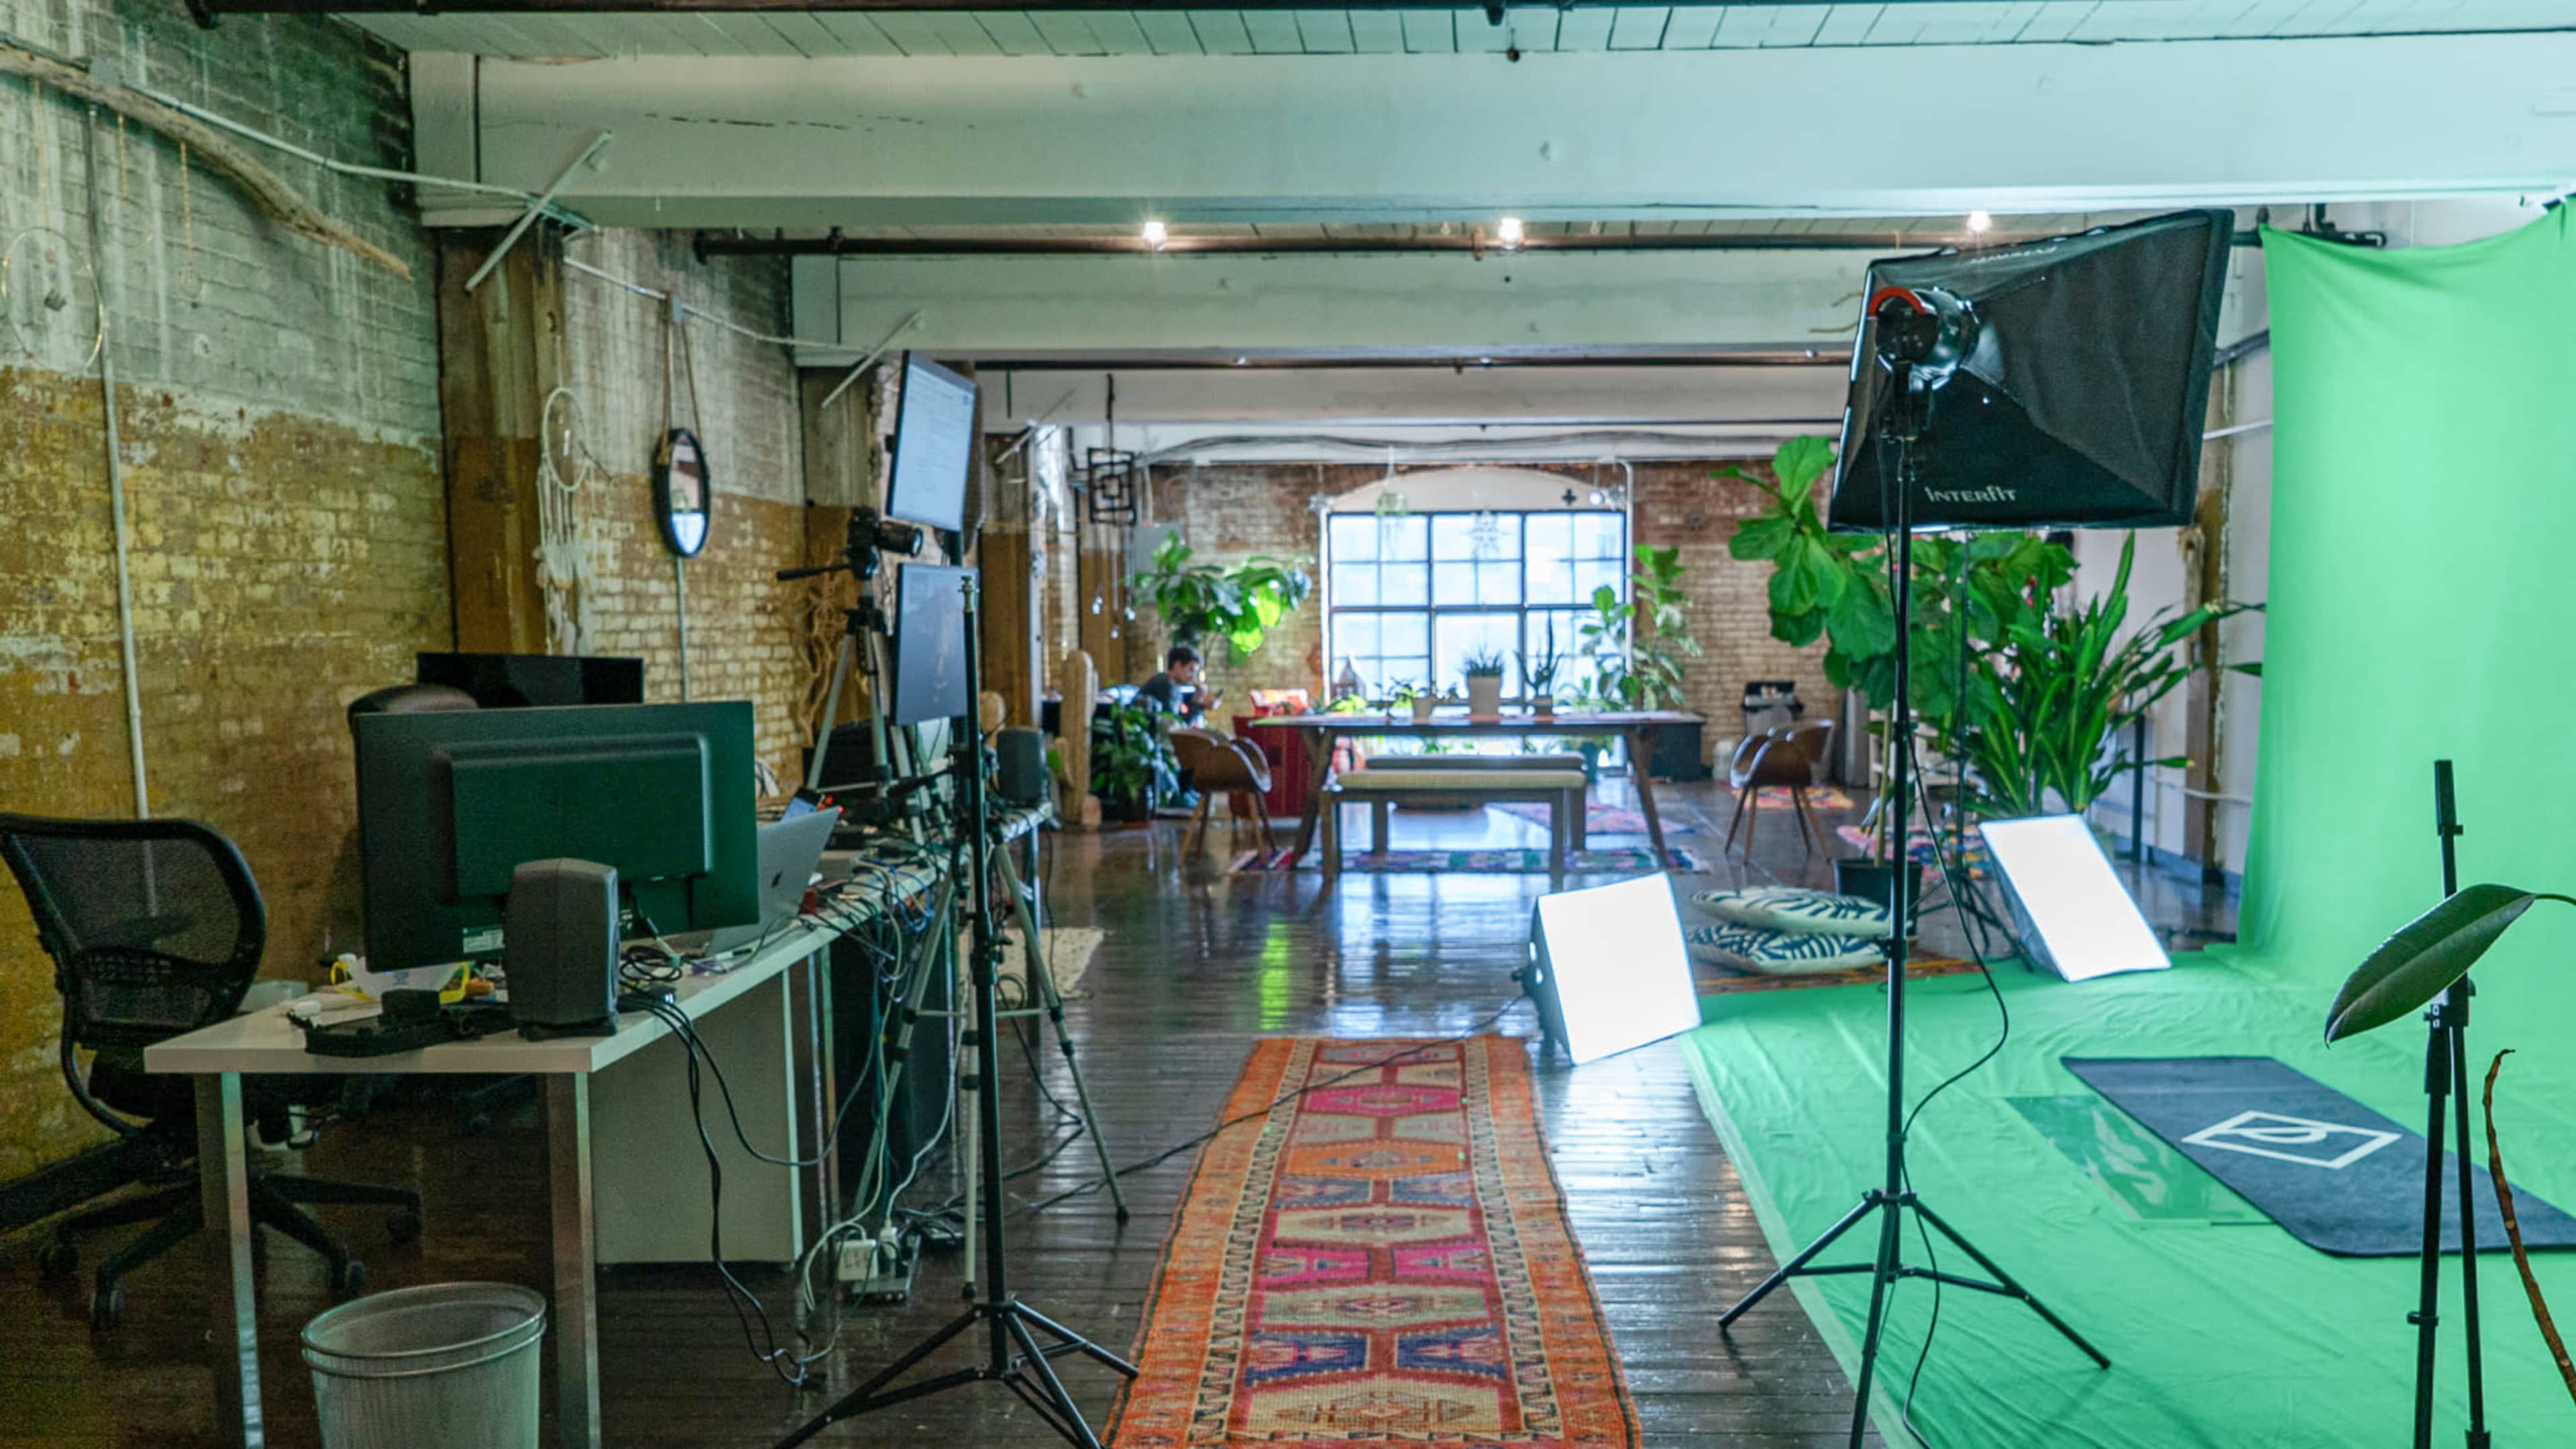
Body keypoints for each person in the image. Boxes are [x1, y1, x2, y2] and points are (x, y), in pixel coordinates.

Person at [1137, 644, 1221, 727]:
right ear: (1178, 665)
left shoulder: (1175, 688)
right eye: (1191, 670)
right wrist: (1198, 705)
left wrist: (1198, 702)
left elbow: (1181, 723)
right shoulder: (1163, 684)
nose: (1194, 676)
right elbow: (1176, 728)